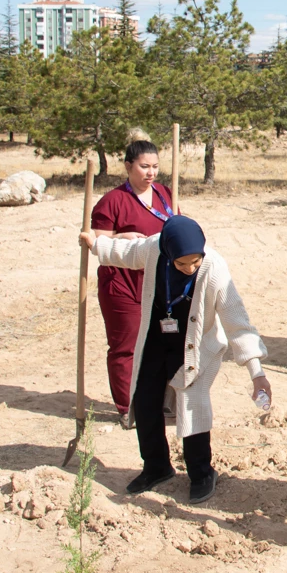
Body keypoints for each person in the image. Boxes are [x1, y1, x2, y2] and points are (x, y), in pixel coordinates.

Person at [81, 216, 271, 504]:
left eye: (195, 262)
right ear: (169, 253)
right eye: (182, 264)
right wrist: (96, 245)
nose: (190, 268)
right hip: (157, 339)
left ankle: (201, 473)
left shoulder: (214, 268)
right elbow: (127, 254)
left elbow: (237, 322)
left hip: (197, 345)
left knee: (191, 405)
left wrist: (256, 372)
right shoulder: (155, 248)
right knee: (145, 402)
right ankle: (156, 467)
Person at [90, 131, 177, 423]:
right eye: (144, 166)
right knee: (126, 345)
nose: (151, 172)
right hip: (121, 283)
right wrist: (122, 236)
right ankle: (127, 407)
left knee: (162, 341)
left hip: (157, 281)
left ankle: (158, 400)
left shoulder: (166, 194)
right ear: (128, 166)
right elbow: (97, 243)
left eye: (155, 166)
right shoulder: (112, 201)